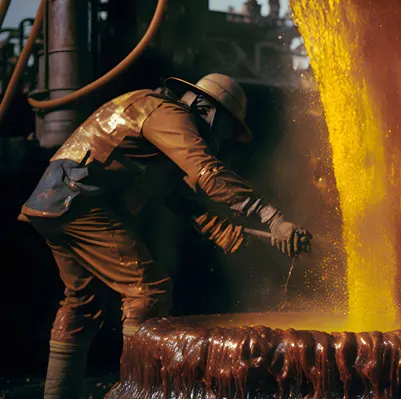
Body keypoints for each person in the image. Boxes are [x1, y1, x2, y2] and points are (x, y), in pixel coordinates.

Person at [17, 73, 312, 398]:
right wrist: (273, 219)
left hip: (53, 202)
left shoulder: (151, 112)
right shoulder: (170, 114)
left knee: (82, 302)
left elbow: (174, 195)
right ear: (206, 109)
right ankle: (135, 391)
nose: (224, 139)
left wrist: (221, 229)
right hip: (80, 203)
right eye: (226, 128)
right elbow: (207, 172)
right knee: (149, 290)